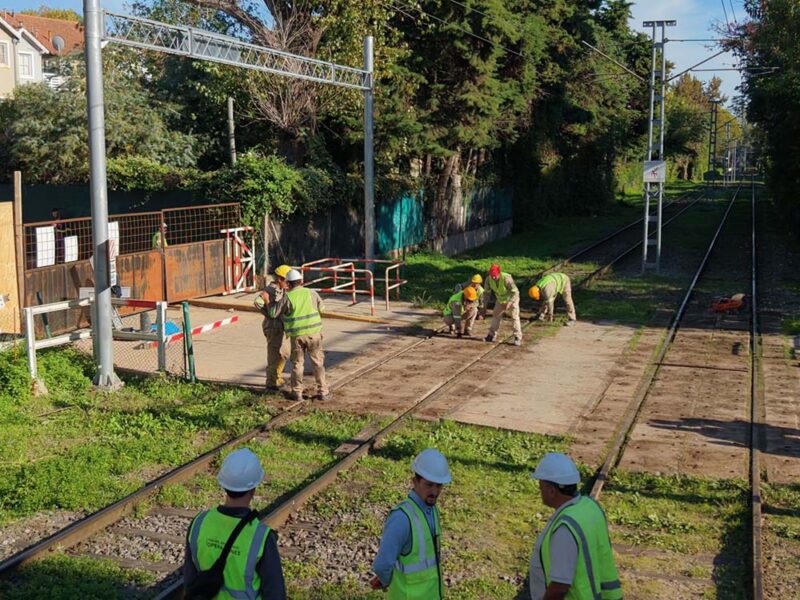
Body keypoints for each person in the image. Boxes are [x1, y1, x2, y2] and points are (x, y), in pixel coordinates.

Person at [184, 448, 286, 600]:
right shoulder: (261, 536)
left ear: (224, 485)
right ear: (253, 489)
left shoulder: (199, 522)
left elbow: (190, 579)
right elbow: (275, 593)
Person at [528, 453, 621, 600]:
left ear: (552, 490)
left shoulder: (565, 528)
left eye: (541, 486)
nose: (540, 491)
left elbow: (559, 587)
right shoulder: (590, 507)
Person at [371, 448, 451, 599]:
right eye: (429, 485)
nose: (435, 491)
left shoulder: (432, 510)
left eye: (439, 485)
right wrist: (387, 580)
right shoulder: (401, 519)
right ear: (415, 482)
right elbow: (382, 565)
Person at [273, 269, 331, 402]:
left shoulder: (287, 297)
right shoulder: (311, 293)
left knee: (297, 364)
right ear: (301, 281)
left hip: (297, 336)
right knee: (318, 363)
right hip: (314, 334)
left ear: (288, 283)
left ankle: (297, 393)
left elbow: (274, 313)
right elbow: (322, 308)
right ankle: (323, 392)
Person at [254, 265, 292, 392]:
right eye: (287, 280)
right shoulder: (270, 289)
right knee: (274, 355)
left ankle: (277, 377)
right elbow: (257, 302)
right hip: (273, 327)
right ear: (280, 279)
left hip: (282, 327)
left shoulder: (283, 289)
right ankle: (271, 383)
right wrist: (268, 309)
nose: (289, 283)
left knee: (284, 354)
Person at [484, 263, 523, 346]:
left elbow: (516, 292)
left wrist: (510, 302)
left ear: (499, 273)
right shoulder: (488, 279)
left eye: (495, 275)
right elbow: (486, 293)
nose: (494, 277)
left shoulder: (506, 278)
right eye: (492, 275)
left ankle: (517, 337)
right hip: (500, 300)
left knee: (514, 317)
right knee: (495, 316)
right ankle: (491, 335)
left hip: (512, 299)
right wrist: (484, 306)